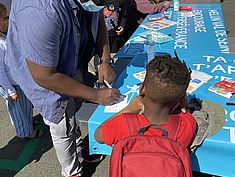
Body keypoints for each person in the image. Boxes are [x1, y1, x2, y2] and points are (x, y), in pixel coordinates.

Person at [6, 0, 120, 176]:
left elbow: (98, 19)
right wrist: (95, 95)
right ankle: (71, 170)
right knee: (61, 123)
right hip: (44, 75)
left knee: (73, 110)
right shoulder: (39, 11)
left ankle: (77, 144)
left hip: (70, 60)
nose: (102, 5)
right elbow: (44, 76)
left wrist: (105, 60)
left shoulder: (89, 3)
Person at [95, 55, 197, 149]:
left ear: (141, 88)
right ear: (180, 101)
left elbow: (98, 135)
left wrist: (129, 109)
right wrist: (183, 101)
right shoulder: (187, 124)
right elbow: (184, 110)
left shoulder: (124, 123)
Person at [0, 3, 43, 139]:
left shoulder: (3, 36)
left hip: (17, 79)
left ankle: (28, 123)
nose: (8, 21)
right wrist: (10, 91)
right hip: (10, 84)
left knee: (25, 105)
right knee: (17, 110)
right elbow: (0, 72)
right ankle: (25, 133)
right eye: (5, 18)